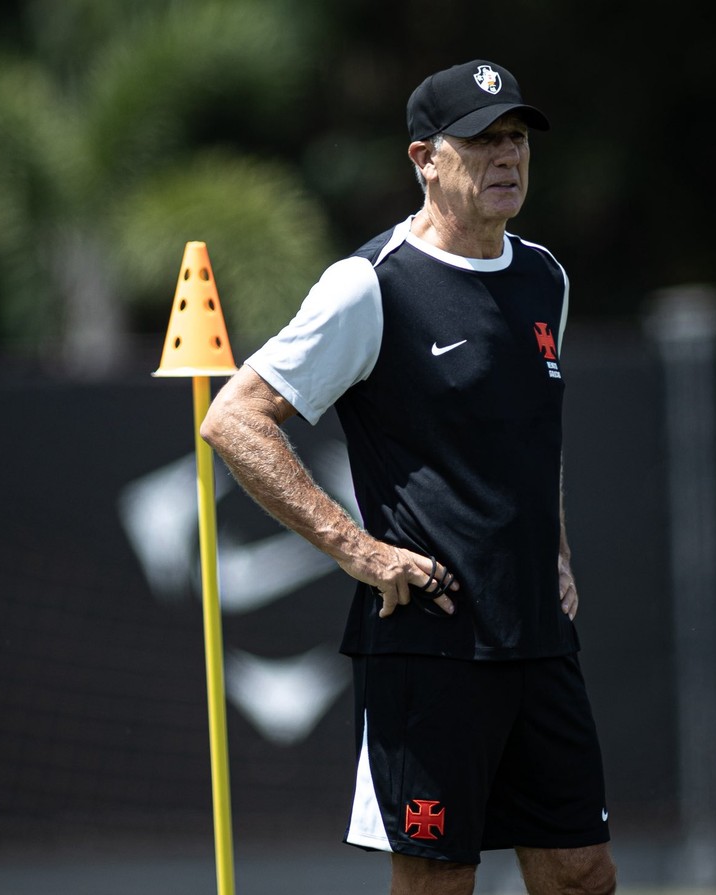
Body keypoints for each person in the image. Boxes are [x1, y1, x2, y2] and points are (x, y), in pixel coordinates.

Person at [200, 59, 617, 895]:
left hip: (540, 635)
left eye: (516, 138)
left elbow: (537, 430)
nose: (508, 157)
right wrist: (359, 550)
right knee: (438, 878)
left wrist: (558, 548)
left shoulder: (546, 276)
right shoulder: (371, 284)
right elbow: (234, 419)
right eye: (481, 141)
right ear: (424, 158)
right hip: (431, 642)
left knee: (580, 871)